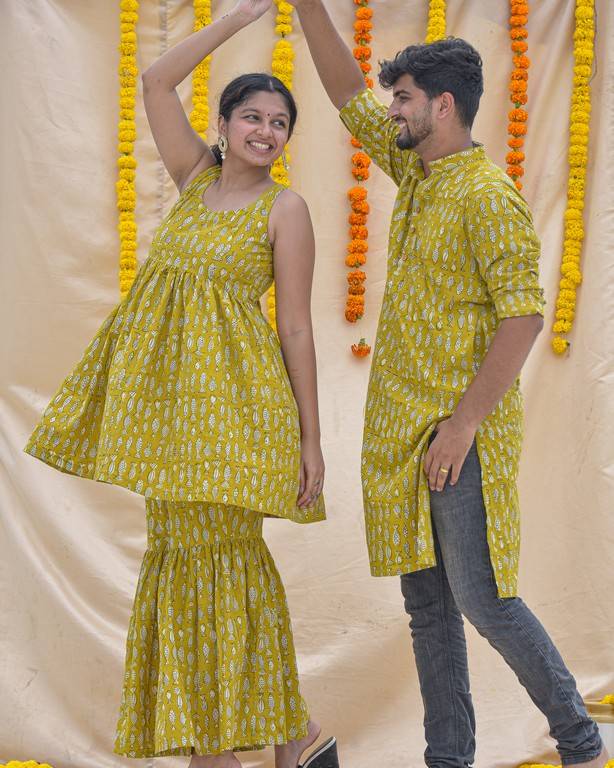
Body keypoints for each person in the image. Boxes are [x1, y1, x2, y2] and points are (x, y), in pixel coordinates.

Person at [286, 1, 609, 767]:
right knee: (428, 611)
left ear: (442, 106)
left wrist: (462, 425)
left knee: (484, 600)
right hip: (403, 440)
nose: (390, 109)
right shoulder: (417, 172)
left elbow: (523, 317)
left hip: (458, 440)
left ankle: (581, 741)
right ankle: (448, 759)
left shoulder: (487, 195)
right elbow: (345, 93)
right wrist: (306, 6)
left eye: (402, 98)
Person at [24, 2, 340, 767]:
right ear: (224, 125)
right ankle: (289, 737)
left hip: (236, 413)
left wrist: (310, 439)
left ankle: (220, 748)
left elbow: (296, 328)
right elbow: (157, 81)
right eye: (253, 116)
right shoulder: (195, 180)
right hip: (167, 419)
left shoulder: (286, 209)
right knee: (180, 558)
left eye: (280, 123)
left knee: (223, 561)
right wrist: (237, 18)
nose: (266, 131)